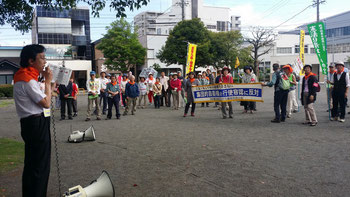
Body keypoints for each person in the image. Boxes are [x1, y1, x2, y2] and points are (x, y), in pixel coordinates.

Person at [13, 44, 55, 196]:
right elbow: (46, 103)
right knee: (40, 166)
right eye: (42, 58)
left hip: (30, 123)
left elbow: (44, 96)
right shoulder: (28, 80)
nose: (45, 61)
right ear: (31, 61)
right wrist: (48, 82)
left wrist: (46, 82)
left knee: (32, 164)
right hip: (37, 123)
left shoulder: (23, 76)